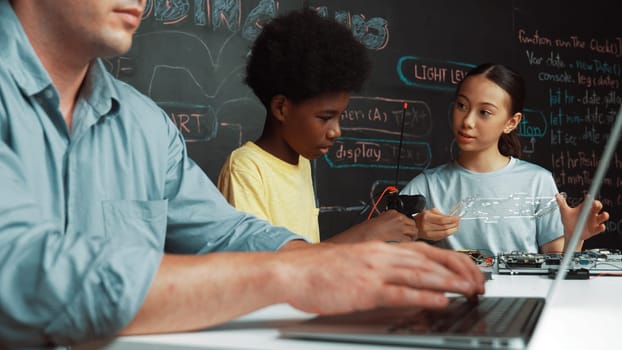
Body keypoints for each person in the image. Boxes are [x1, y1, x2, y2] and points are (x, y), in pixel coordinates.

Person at [0, 1, 484, 347]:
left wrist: (324, 264)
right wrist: (295, 272)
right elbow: (22, 271)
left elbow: (224, 232)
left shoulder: (146, 125)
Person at [217, 9, 417, 244]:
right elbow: (261, 268)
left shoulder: (301, 160)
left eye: (339, 117)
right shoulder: (245, 170)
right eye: (325, 117)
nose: (336, 131)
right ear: (282, 108)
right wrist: (364, 235)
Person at [400, 63, 609, 255]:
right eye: (462, 106)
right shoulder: (427, 185)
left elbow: (556, 266)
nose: (467, 121)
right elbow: (378, 251)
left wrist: (575, 238)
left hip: (526, 296)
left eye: (484, 112)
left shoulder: (537, 181)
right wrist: (415, 230)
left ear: (511, 122)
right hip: (456, 295)